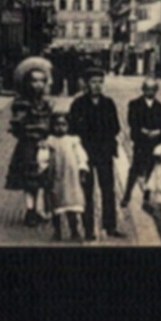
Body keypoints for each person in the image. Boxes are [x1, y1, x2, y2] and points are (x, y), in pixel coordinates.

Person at [66, 65, 124, 240]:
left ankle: (110, 226)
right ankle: (88, 228)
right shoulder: (78, 104)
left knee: (108, 190)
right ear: (86, 84)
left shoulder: (108, 103)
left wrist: (104, 138)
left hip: (104, 152)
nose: (97, 86)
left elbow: (115, 126)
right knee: (87, 191)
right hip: (86, 153)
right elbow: (73, 129)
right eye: (93, 82)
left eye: (100, 82)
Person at [4, 67, 55, 226]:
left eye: (41, 81)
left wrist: (48, 135)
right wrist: (33, 134)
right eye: (34, 81)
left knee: (43, 177)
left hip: (44, 144)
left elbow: (50, 122)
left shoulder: (46, 103)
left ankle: (39, 209)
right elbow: (18, 125)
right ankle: (30, 210)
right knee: (29, 178)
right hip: (28, 144)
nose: (38, 85)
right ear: (27, 83)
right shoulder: (21, 103)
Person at [120, 78, 161, 209]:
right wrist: (143, 130)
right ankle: (127, 194)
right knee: (135, 168)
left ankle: (146, 198)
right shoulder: (135, 104)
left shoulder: (159, 106)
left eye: (153, 89)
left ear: (156, 91)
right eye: (147, 89)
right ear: (143, 89)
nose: (150, 92)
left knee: (151, 171)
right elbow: (132, 121)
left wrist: (158, 132)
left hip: (154, 142)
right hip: (141, 142)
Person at [45, 112, 90, 243]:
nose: (60, 128)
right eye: (57, 125)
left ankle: (74, 230)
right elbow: (43, 157)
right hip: (56, 176)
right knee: (56, 204)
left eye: (63, 124)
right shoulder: (50, 141)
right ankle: (57, 231)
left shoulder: (73, 141)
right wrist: (44, 169)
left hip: (71, 177)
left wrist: (82, 169)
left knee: (71, 204)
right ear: (52, 126)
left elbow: (81, 156)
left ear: (68, 126)